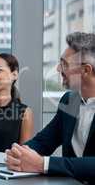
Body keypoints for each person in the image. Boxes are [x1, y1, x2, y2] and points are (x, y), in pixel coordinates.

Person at [6, 32, 95, 184]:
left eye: (65, 64)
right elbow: (44, 141)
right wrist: (19, 154)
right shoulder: (69, 101)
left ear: (86, 70)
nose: (58, 69)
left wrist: (43, 164)